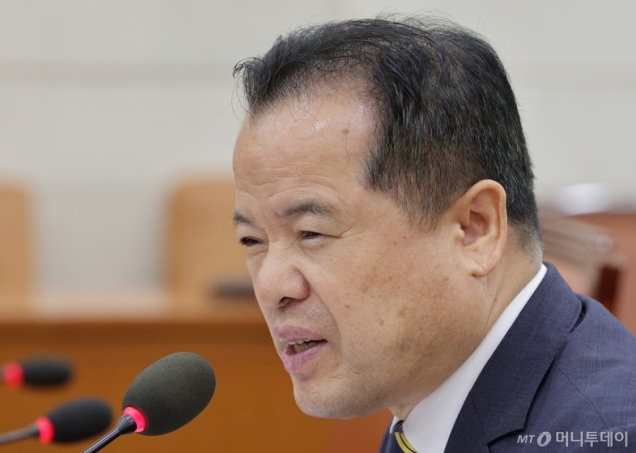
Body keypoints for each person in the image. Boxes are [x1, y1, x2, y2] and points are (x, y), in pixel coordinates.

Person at [231, 16, 636, 452]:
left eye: (311, 233)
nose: (270, 286)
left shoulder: (604, 436)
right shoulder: (427, 398)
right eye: (253, 240)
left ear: (475, 229)